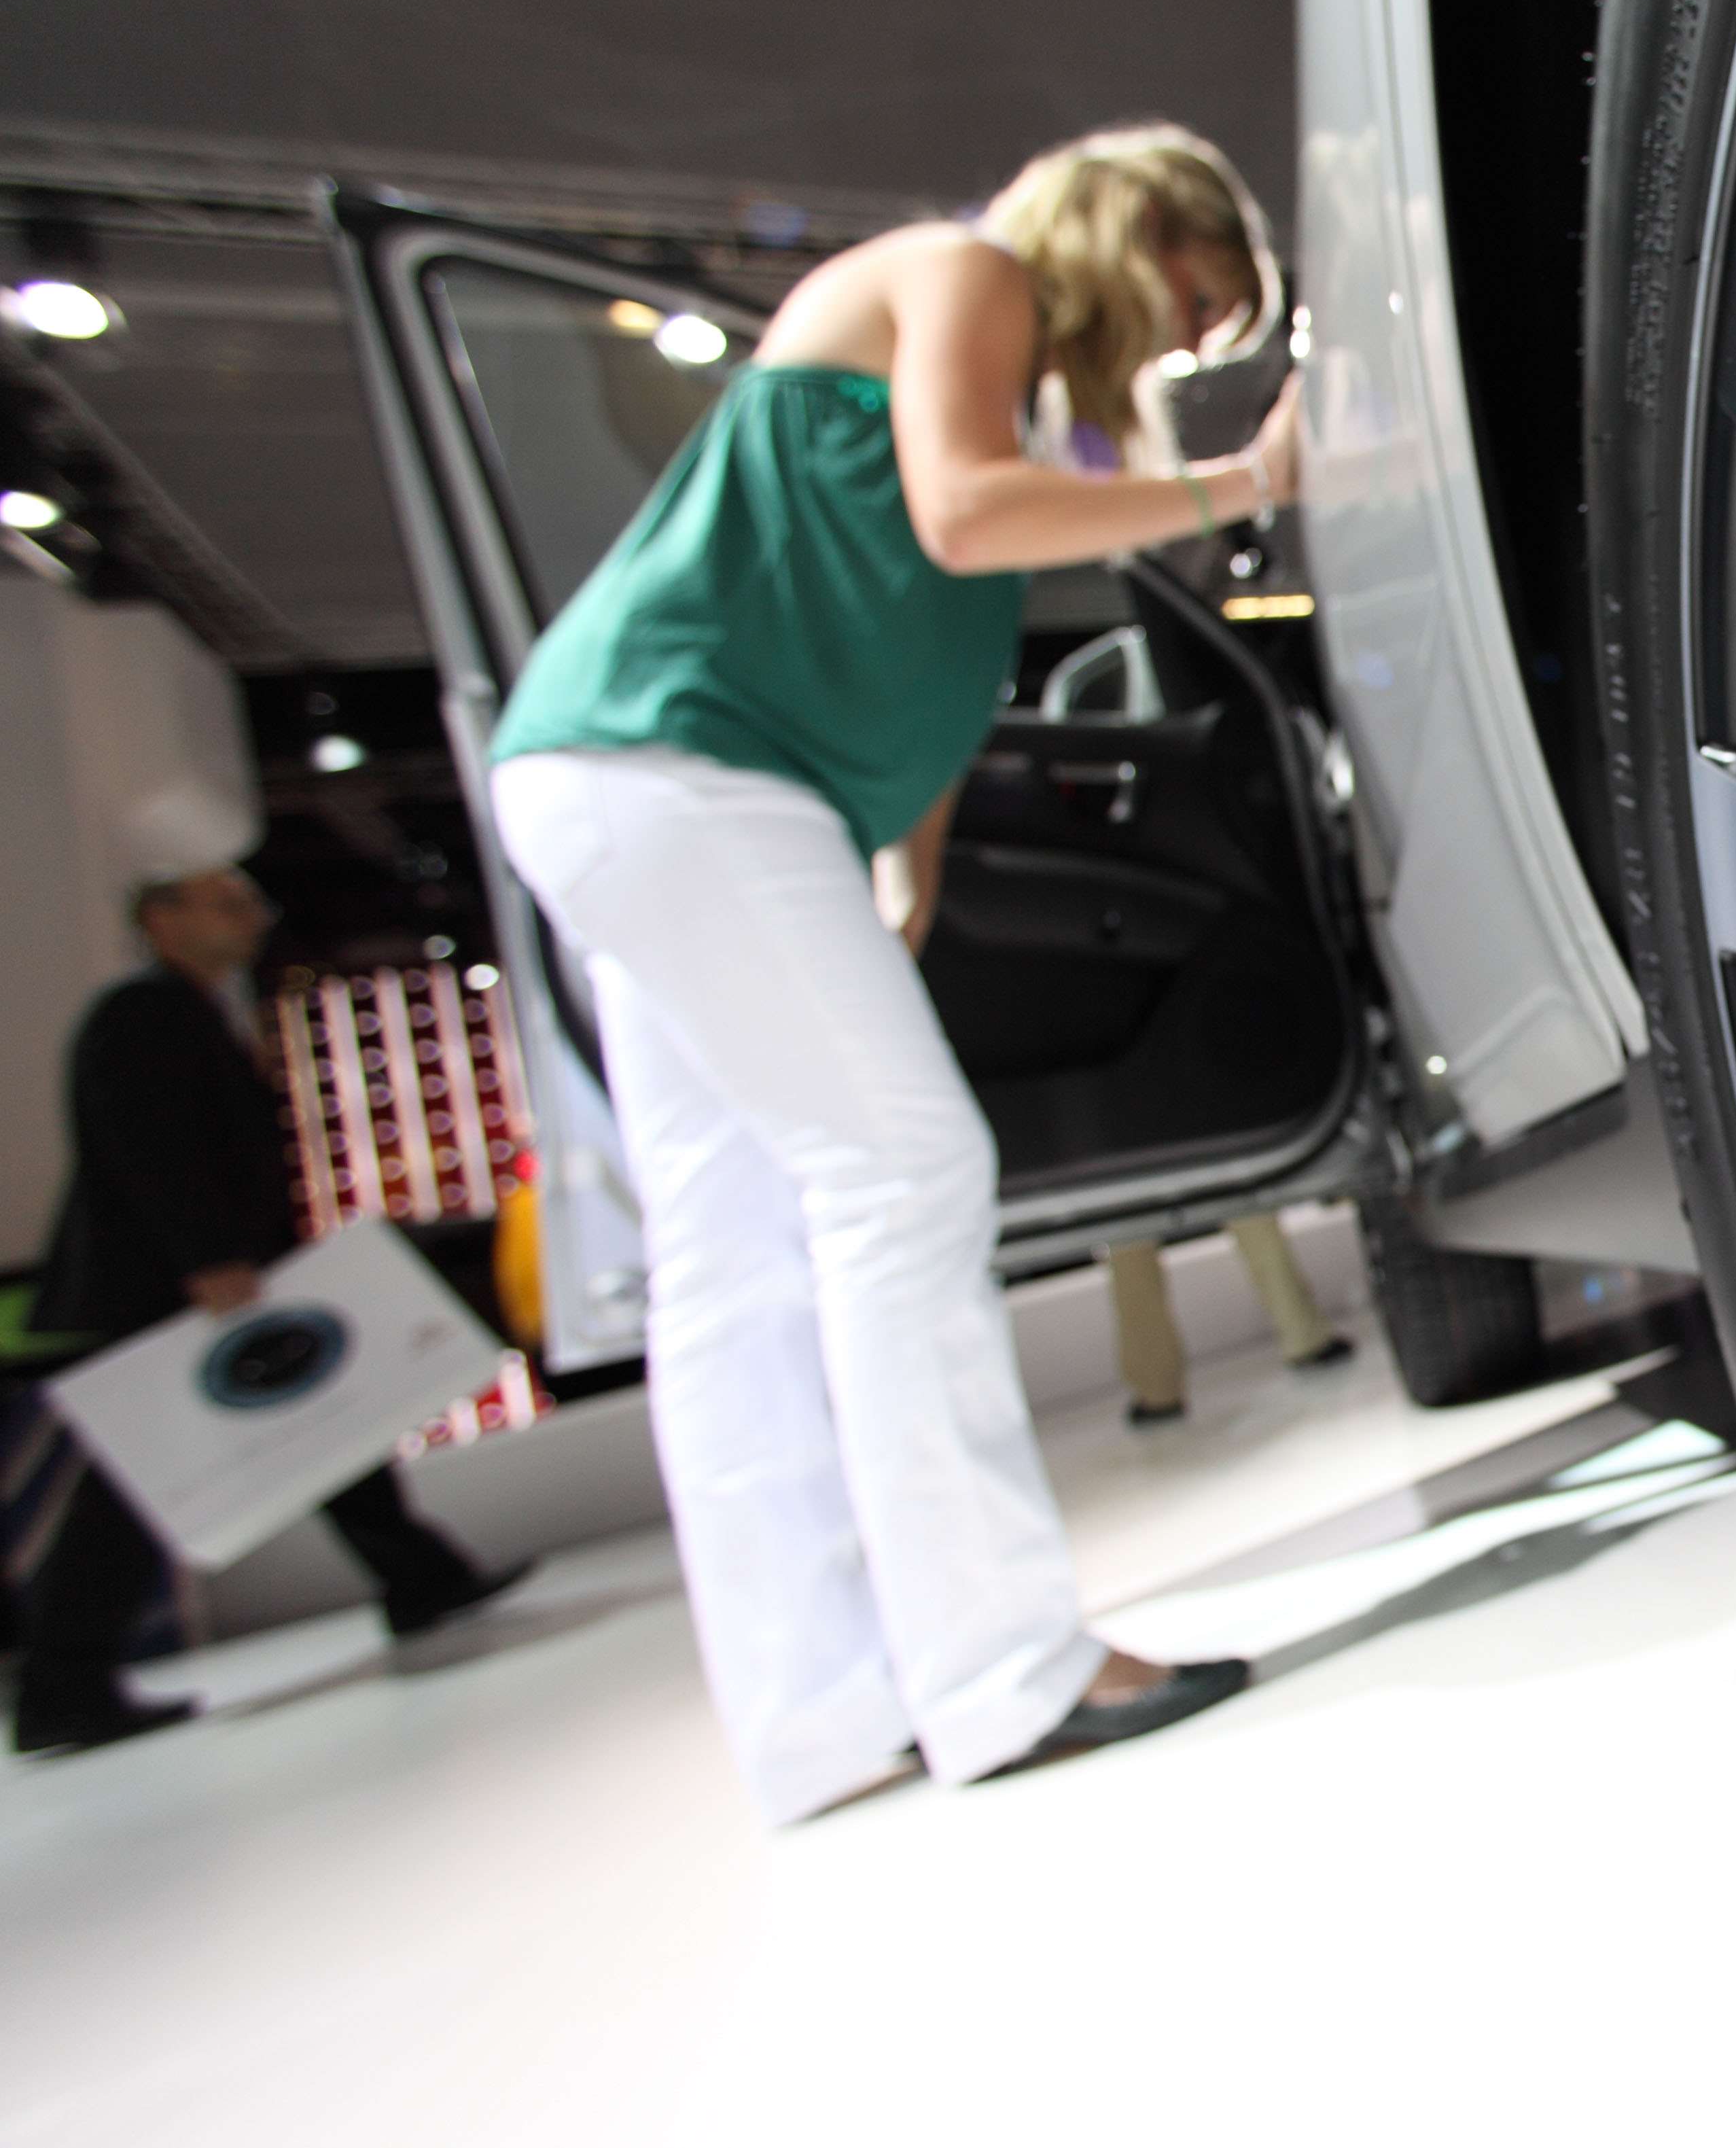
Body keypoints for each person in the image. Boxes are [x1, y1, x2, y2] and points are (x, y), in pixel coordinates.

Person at [484, 122, 1296, 1823]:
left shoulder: (983, 365)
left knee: (735, 1255)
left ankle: (821, 1717)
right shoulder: (965, 272)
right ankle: (1007, 1672)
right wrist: (1244, 484)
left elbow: (903, 618)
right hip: (688, 770)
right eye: (1189, 295)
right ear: (1132, 223)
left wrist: (900, 870)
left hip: (634, 775)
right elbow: (960, 514)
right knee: (900, 1172)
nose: (1171, 346)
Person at [17, 866, 527, 1755]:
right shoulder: (140, 1013)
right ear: (161, 917)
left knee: (329, 1422)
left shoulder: (186, 1010)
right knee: (134, 1488)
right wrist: (206, 1256)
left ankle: (422, 1578)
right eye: (226, 902)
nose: (251, 917)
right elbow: (148, 1145)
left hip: (215, 1279)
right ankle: (60, 1681)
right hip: (175, 1290)